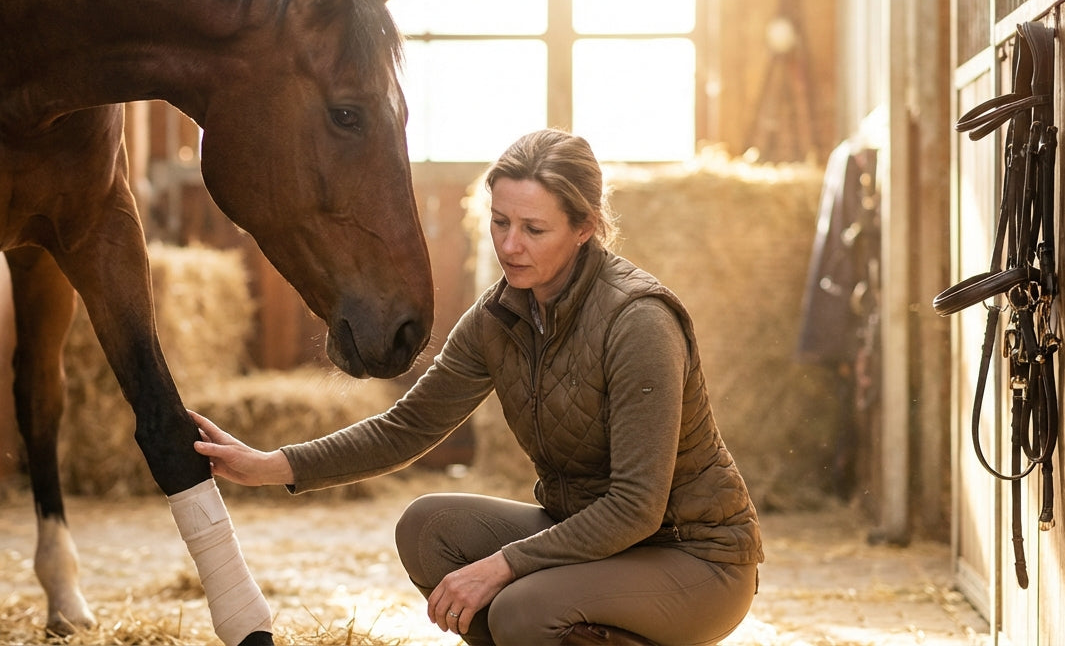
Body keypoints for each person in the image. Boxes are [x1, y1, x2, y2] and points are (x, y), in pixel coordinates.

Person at [191, 129, 764, 646]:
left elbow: (637, 509)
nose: (509, 246)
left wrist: (506, 564)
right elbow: (408, 427)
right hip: (589, 540)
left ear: (585, 227)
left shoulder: (637, 322)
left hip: (693, 556)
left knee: (520, 610)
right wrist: (273, 465)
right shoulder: (499, 317)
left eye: (534, 229)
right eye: (500, 222)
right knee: (427, 529)